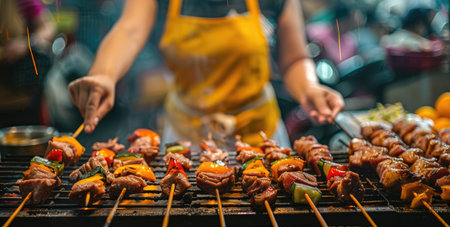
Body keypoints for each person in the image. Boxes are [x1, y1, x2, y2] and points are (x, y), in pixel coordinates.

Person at [68, 0, 344, 149]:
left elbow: (294, 58)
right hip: (186, 138)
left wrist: (309, 87)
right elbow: (128, 29)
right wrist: (103, 73)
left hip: (259, 136)